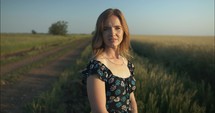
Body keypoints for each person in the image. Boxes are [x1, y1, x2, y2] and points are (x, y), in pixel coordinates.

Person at [82, 8, 138, 113]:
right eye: (106, 29)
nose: (112, 33)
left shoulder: (127, 63)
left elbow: (132, 100)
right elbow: (99, 110)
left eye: (117, 28)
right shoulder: (97, 67)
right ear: (100, 33)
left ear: (124, 31)